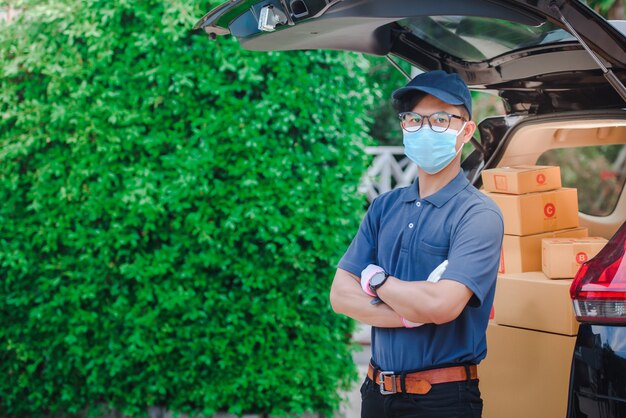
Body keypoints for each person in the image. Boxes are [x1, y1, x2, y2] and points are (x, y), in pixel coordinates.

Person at [329, 70, 504, 418]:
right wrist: (410, 315)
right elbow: (340, 296)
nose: (424, 129)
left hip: (441, 399)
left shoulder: (478, 214)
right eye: (413, 119)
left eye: (440, 119)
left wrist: (377, 281)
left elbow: (442, 306)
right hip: (376, 392)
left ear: (466, 131)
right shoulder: (385, 206)